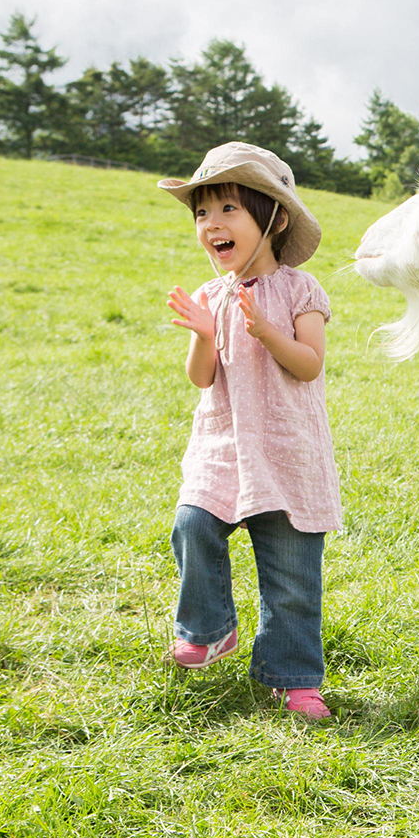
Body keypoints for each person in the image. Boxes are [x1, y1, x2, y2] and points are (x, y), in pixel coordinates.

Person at [158, 143, 342, 720]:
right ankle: (210, 630)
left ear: (274, 217)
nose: (212, 223)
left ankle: (294, 678)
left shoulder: (300, 291)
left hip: (288, 453)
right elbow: (201, 377)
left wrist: (267, 331)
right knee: (192, 522)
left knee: (291, 576)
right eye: (201, 213)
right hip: (221, 446)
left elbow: (309, 364)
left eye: (228, 209)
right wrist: (205, 333)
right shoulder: (212, 294)